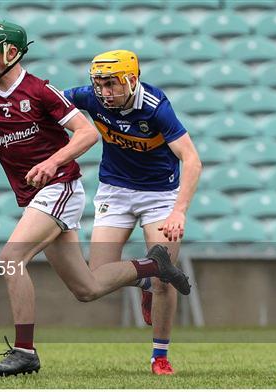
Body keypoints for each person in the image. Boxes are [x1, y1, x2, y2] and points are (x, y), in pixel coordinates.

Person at [0, 22, 190, 377]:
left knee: (12, 258)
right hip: (34, 194)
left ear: (11, 53)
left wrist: (52, 161)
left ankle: (25, 352)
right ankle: (153, 268)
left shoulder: (40, 91)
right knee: (87, 289)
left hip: (60, 187)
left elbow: (87, 132)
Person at [63, 50, 202, 375]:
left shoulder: (155, 106)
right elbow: (49, 99)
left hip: (160, 196)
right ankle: (146, 279)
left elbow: (192, 159)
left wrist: (179, 212)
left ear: (131, 80)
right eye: (99, 84)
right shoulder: (90, 98)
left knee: (165, 278)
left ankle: (160, 357)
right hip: (116, 191)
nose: (104, 92)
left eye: (111, 84)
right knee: (95, 279)